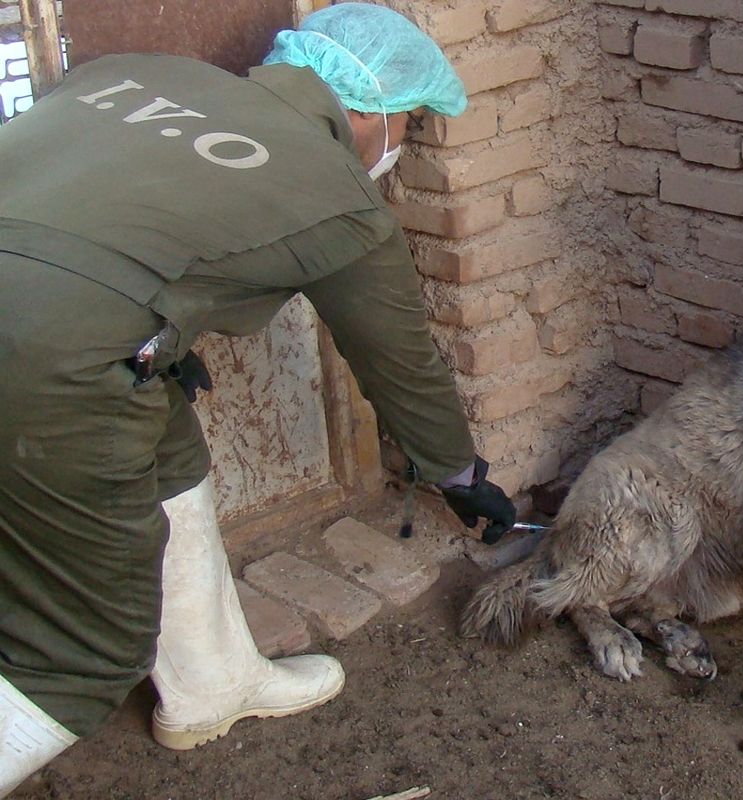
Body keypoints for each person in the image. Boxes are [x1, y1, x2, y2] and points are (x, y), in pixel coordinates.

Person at [0, 3, 516, 794]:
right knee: (82, 648)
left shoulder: (130, 72)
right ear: (369, 111)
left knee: (166, 444)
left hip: (53, 325)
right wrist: (455, 472)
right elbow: (399, 360)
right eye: (408, 120)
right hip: (39, 359)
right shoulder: (338, 197)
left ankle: (212, 681)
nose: (402, 141)